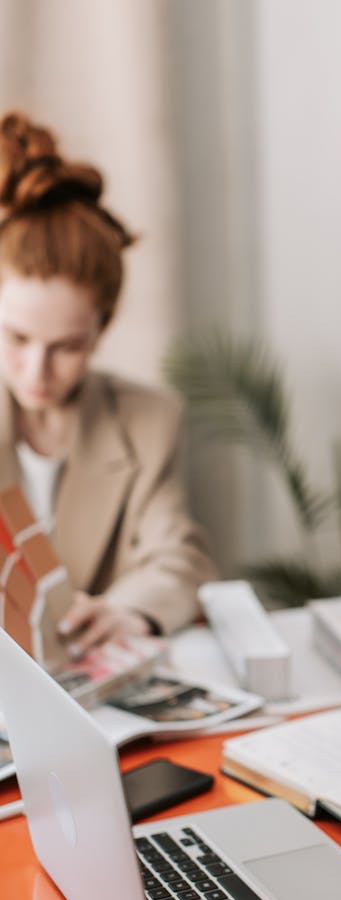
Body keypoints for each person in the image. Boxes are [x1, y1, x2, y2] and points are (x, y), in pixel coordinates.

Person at [0, 111, 217, 658]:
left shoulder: (148, 422)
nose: (36, 371)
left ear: (102, 329)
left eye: (66, 347)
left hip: (88, 694)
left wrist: (126, 611)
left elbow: (180, 556)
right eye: (17, 338)